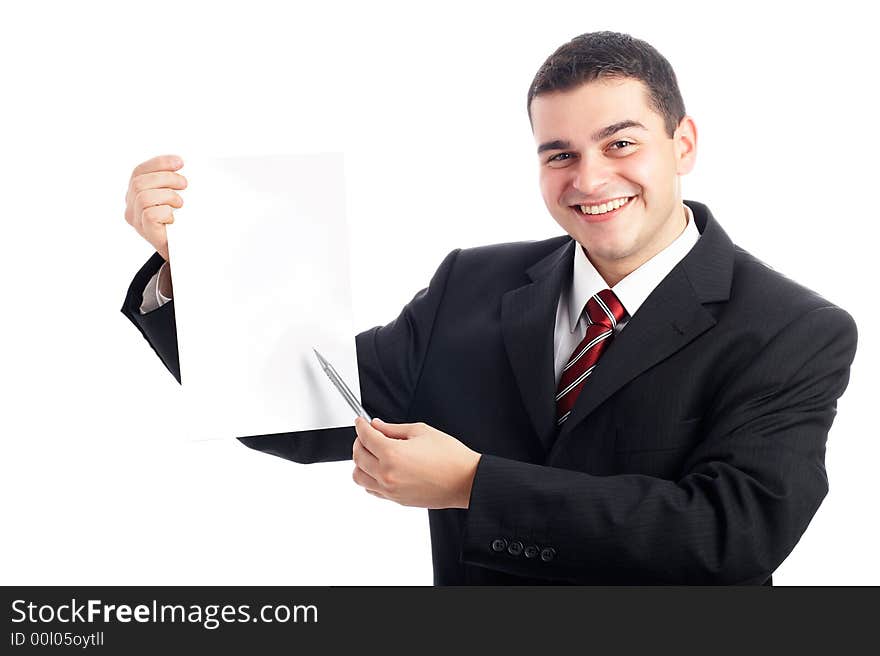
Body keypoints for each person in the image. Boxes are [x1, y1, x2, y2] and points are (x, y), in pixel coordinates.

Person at [121, 31, 858, 585]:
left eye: (621, 142)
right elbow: (298, 414)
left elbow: (732, 535)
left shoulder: (792, 330)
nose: (590, 177)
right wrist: (197, 269)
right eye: (558, 153)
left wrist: (475, 486)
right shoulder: (470, 286)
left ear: (683, 142)